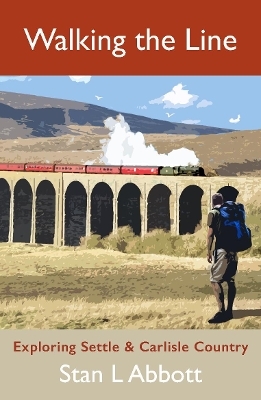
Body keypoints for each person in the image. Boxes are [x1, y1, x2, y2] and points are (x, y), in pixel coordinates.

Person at [206, 193, 238, 324]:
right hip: (233, 251)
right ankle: (229, 311)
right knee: (230, 280)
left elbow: (210, 235)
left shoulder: (213, 213)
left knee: (214, 280)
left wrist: (208, 251)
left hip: (222, 251)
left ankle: (221, 312)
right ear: (223, 201)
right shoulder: (231, 213)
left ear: (212, 202)